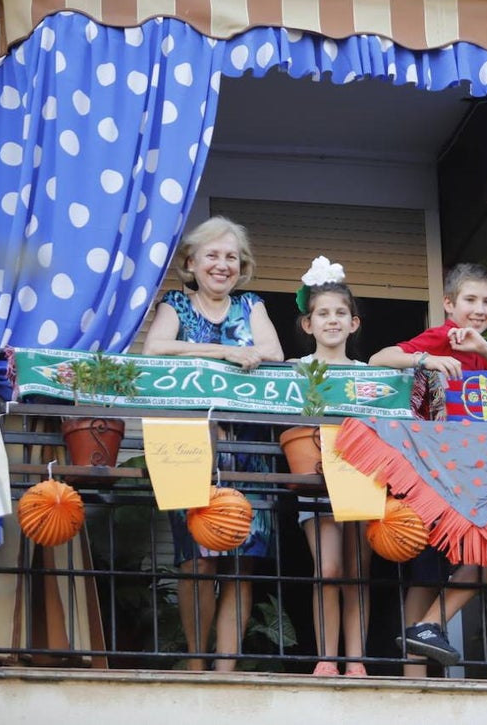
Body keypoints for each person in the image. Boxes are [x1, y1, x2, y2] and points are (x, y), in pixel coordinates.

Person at [142, 215, 284, 671]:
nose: (222, 265)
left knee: (243, 563)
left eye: (231, 257)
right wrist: (223, 351)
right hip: (189, 447)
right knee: (197, 560)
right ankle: (198, 661)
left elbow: (275, 353)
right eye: (212, 256)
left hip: (250, 451)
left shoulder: (251, 305)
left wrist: (243, 352)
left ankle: (226, 667)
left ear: (241, 266)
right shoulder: (176, 307)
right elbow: (155, 348)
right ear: (192, 262)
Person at [369, 263, 487, 675]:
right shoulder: (440, 337)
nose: (479, 309)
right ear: (449, 303)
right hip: (433, 473)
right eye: (470, 300)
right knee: (427, 573)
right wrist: (426, 359)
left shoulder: (482, 350)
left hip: (471, 476)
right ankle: (413, 677)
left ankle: (428, 626)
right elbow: (377, 359)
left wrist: (483, 348)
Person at [289, 256, 372, 677]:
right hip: (316, 481)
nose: (332, 320)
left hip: (360, 476)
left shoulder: (368, 373)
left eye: (341, 313)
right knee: (330, 567)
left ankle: (355, 660)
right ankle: (327, 656)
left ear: (354, 323)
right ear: (308, 324)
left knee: (358, 570)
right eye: (323, 313)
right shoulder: (291, 372)